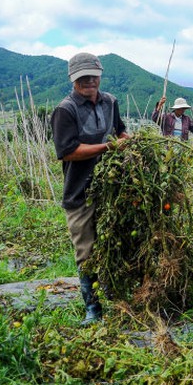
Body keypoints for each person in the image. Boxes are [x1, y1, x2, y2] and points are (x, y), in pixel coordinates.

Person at [51, 52, 130, 325]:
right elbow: (68, 151)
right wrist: (108, 147)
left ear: (100, 75)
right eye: (82, 77)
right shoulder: (66, 109)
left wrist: (129, 143)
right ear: (73, 80)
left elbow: (120, 130)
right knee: (86, 250)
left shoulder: (110, 102)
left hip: (110, 187)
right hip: (79, 192)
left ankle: (112, 292)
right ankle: (93, 308)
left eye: (92, 76)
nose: (88, 81)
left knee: (113, 241)